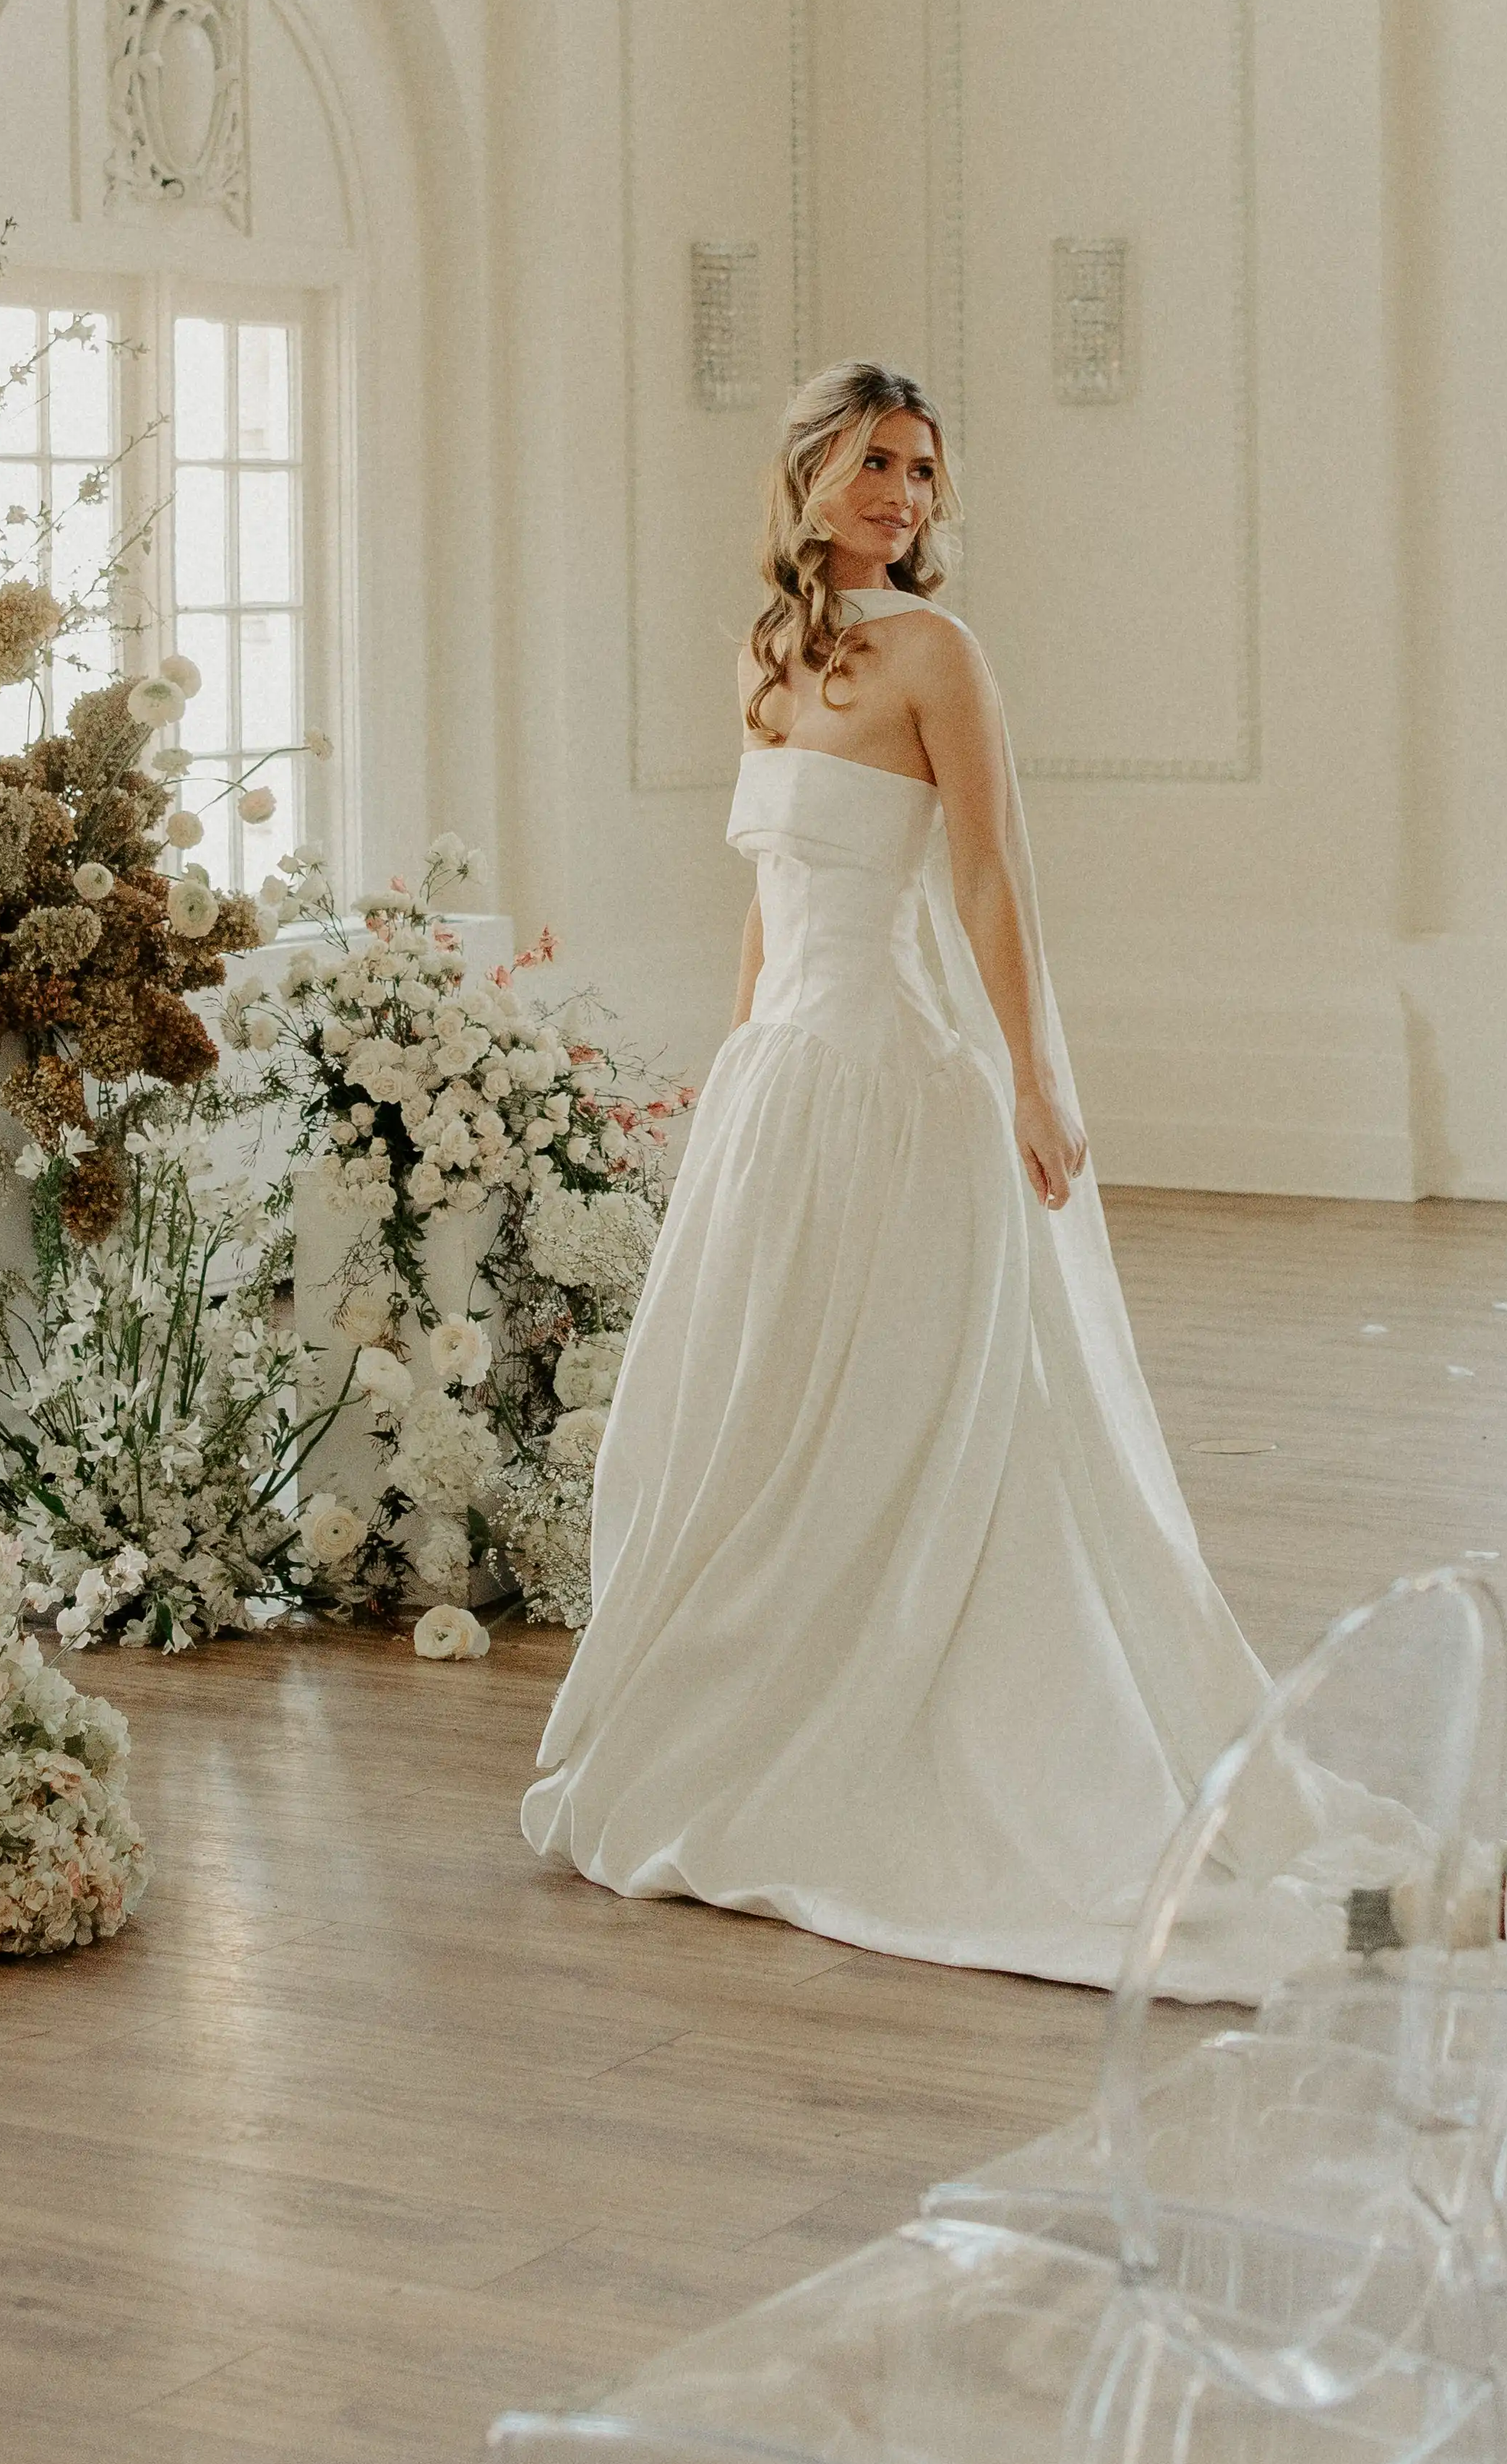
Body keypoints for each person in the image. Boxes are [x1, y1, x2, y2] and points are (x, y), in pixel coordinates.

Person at [520, 362, 1276, 1986]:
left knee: (911, 1411)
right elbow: (768, 892)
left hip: (903, 1079)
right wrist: (730, 1068)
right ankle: (757, 1706)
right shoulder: (770, 654)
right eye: (876, 461)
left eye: (924, 470)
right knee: (758, 1408)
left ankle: (930, 1714)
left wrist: (1037, 1075)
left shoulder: (941, 652)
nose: (905, 495)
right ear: (806, 470)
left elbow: (995, 876)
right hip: (787, 1082)